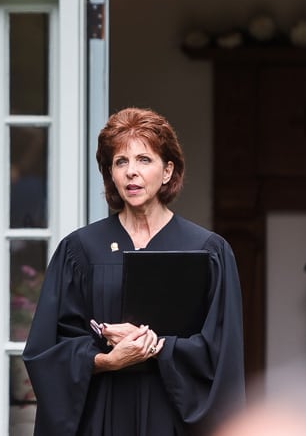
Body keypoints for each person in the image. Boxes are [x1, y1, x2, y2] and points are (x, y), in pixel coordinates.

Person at [22, 107, 245, 436]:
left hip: (172, 419)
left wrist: (155, 347)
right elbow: (47, 351)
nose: (131, 172)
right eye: (120, 162)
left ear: (167, 171)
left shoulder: (208, 251)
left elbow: (222, 355)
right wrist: (106, 361)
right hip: (102, 416)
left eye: (144, 159)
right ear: (110, 174)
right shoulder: (80, 250)